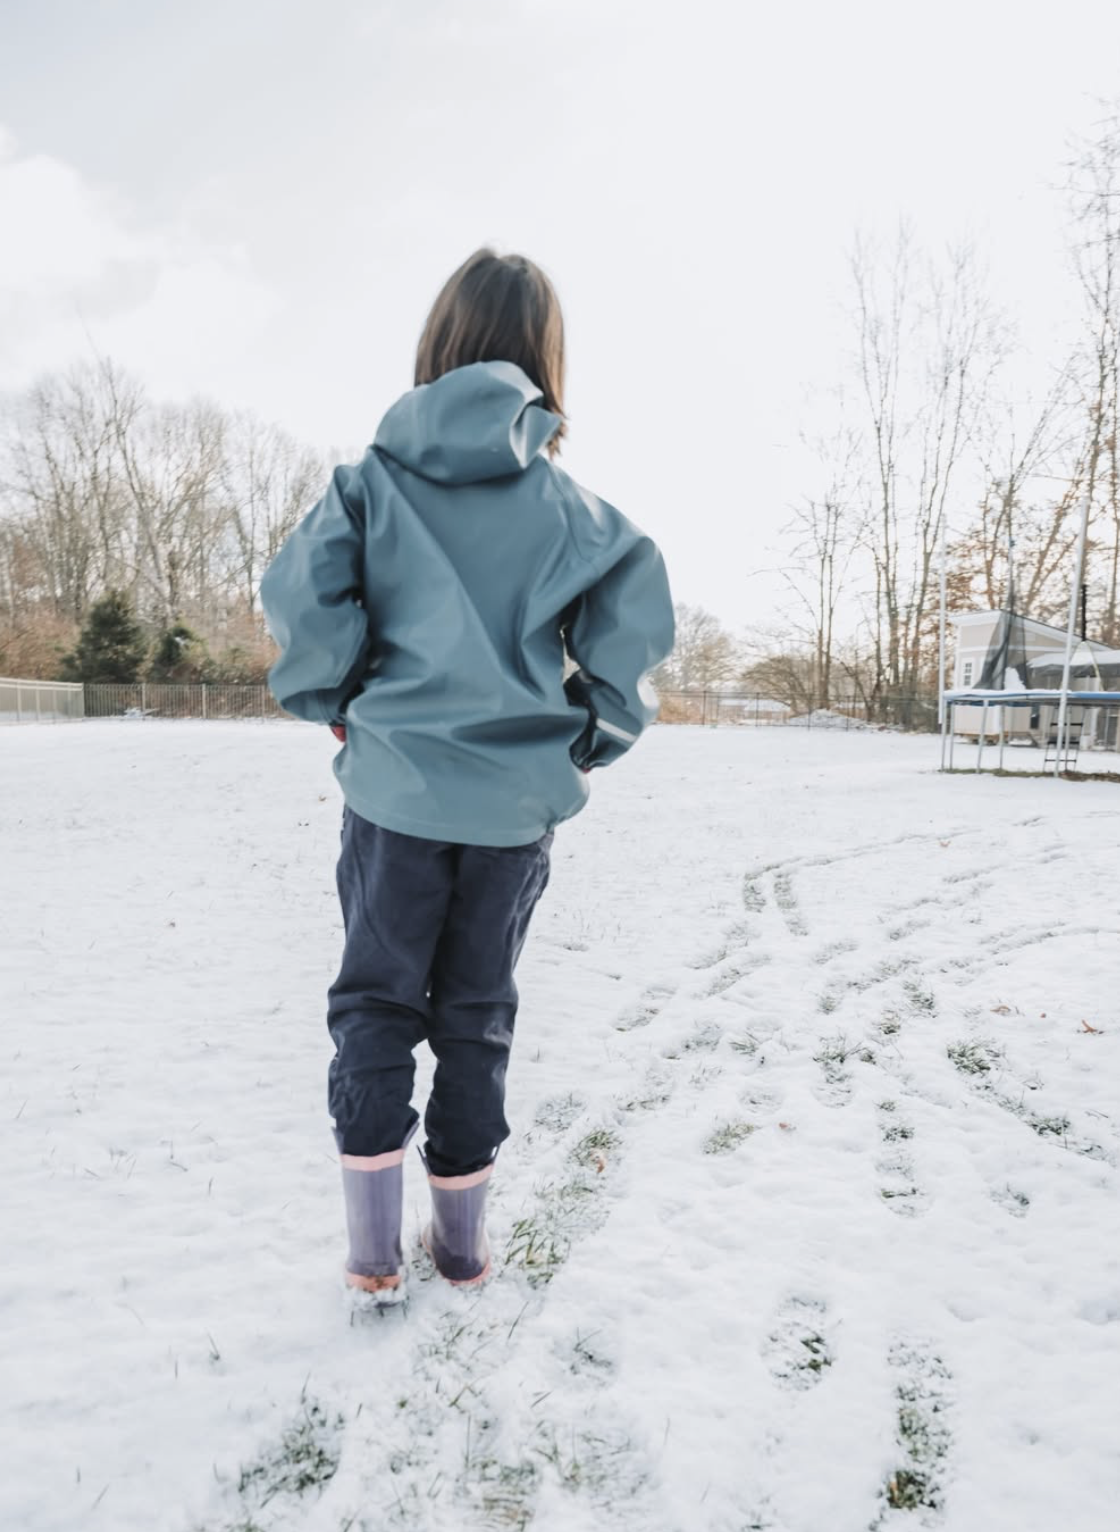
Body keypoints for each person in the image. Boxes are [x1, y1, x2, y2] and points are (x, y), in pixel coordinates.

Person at [260, 248, 674, 1302]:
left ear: (436, 346)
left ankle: (369, 1255)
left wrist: (338, 701)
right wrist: (587, 738)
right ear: (546, 361)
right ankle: (460, 1247)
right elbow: (629, 644)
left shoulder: (364, 486)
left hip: (393, 791)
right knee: (476, 1010)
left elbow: (304, 603)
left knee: (375, 1003)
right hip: (511, 809)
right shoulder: (583, 518)